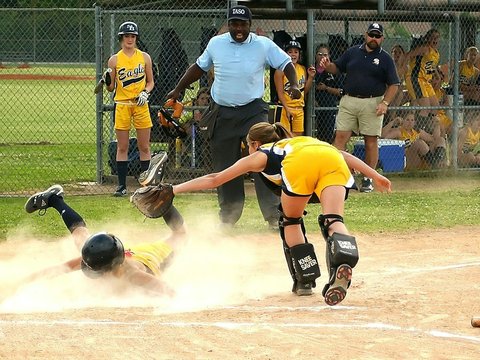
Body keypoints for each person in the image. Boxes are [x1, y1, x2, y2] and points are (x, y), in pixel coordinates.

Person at [142, 122, 392, 306]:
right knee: (333, 220)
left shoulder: (263, 154)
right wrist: (376, 176)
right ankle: (343, 262)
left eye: (247, 145)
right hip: (331, 160)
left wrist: (173, 189)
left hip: (301, 167)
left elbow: (215, 178)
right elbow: (342, 155)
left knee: (290, 220)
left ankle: (305, 281)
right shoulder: (299, 141)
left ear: (254, 144)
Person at [165, 5, 301, 229]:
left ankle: (274, 216)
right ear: (228, 24)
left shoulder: (263, 44)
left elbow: (286, 63)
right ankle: (228, 217)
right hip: (223, 111)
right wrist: (178, 89)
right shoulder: (216, 43)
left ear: (250, 25)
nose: (238, 29)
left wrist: (294, 84)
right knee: (226, 164)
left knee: (264, 159)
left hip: (253, 111)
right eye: (234, 24)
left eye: (243, 24)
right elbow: (199, 68)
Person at [20, 184, 185, 294]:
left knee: (180, 235)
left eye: (97, 272)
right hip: (122, 254)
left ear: (111, 268)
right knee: (81, 238)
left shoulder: (134, 275)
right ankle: (54, 199)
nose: (91, 272)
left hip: (152, 255)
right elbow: (59, 269)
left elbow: (169, 291)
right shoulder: (96, 256)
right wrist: (21, 283)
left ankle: (164, 200)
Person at [319, 23, 400, 192]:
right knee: (340, 137)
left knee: (370, 141)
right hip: (348, 100)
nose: (374, 39)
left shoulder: (385, 58)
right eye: (371, 35)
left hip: (373, 103)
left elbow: (394, 84)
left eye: (377, 36)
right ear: (366, 35)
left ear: (382, 38)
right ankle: (337, 175)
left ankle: (368, 178)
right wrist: (328, 66)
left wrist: (384, 103)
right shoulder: (352, 52)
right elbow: (337, 68)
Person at [104, 21, 155, 197]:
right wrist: (108, 80)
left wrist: (145, 93)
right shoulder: (115, 59)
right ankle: (121, 186)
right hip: (123, 105)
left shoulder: (145, 57)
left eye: (133, 36)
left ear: (136, 38)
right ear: (121, 38)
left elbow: (150, 82)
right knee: (122, 146)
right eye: (127, 36)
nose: (130, 39)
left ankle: (146, 184)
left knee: (144, 146)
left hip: (140, 104)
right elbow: (110, 89)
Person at [273, 40, 315, 136]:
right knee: (284, 137)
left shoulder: (302, 69)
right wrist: (287, 109)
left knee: (297, 137)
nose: (293, 55)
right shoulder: (280, 70)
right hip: (285, 107)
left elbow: (304, 91)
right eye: (290, 52)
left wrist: (311, 77)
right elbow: (280, 93)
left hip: (299, 108)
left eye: (296, 52)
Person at [404, 29, 441, 132]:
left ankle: (425, 128)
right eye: (432, 37)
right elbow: (408, 55)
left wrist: (437, 76)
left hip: (426, 81)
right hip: (416, 78)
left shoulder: (436, 53)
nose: (435, 40)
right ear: (427, 38)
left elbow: (431, 65)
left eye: (437, 37)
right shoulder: (425, 48)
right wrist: (403, 69)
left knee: (435, 107)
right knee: (426, 107)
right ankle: (415, 132)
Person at [314, 44, 345, 143]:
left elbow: (341, 91)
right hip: (314, 108)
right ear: (315, 56)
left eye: (325, 54)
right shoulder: (312, 70)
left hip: (329, 108)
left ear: (329, 56)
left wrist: (326, 88)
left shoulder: (334, 70)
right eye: (320, 54)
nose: (322, 57)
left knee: (326, 136)